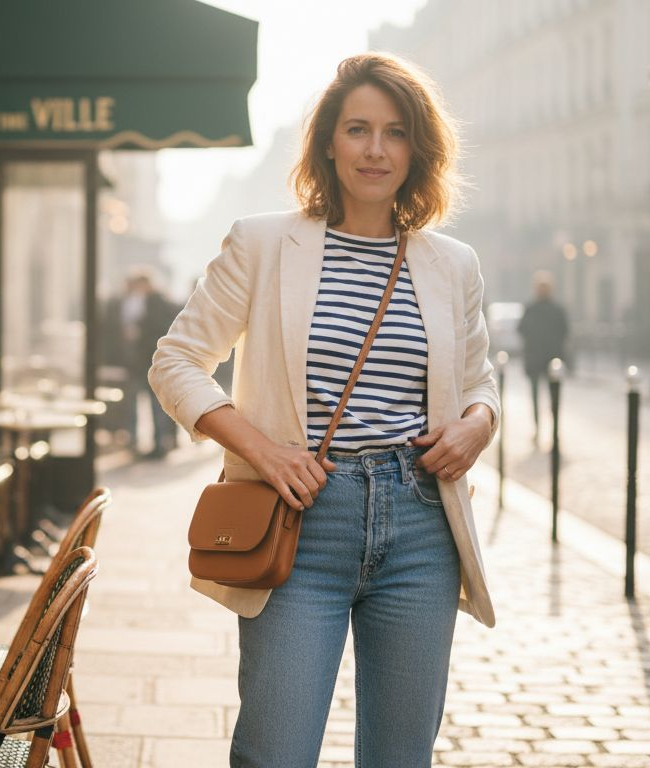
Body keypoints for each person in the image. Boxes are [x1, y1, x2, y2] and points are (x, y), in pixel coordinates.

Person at [149, 53, 498, 768]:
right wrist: (264, 451)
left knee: (402, 757)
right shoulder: (263, 241)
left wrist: (476, 426)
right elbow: (175, 362)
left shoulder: (452, 262)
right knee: (275, 752)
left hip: (421, 527)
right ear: (328, 143)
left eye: (395, 133)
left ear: (417, 148)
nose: (375, 150)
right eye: (358, 129)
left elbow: (481, 382)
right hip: (300, 519)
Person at [109, 269, 181, 458]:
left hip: (149, 361)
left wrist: (138, 330)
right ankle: (160, 443)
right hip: (144, 362)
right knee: (152, 404)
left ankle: (160, 444)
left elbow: (158, 330)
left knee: (156, 405)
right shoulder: (147, 301)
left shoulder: (155, 303)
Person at [517, 271, 568, 436]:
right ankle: (541, 428)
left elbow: (564, 332)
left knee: (551, 396)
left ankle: (551, 429)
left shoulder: (553, 309)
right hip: (541, 358)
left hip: (547, 359)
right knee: (540, 396)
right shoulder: (534, 309)